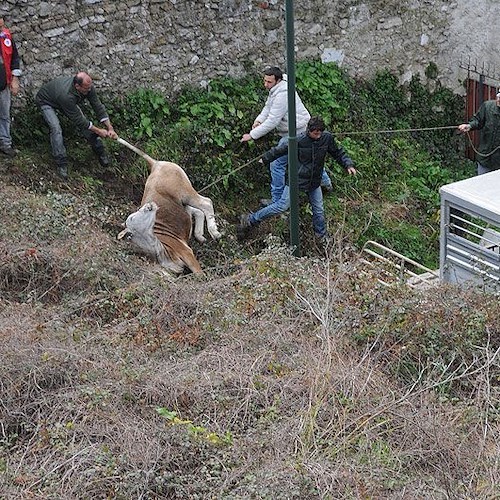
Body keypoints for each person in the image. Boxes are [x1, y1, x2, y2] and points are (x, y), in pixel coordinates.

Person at [237, 116, 356, 241]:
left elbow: (337, 152)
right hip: (296, 180)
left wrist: (348, 164)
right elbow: (280, 150)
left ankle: (321, 236)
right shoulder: (298, 140)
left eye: (320, 133)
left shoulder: (326, 138)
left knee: (319, 210)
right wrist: (265, 158)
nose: (318, 136)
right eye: (316, 133)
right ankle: (250, 219)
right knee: (282, 206)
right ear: (309, 130)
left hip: (314, 181)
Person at [240, 66, 332, 206]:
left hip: (296, 132)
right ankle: (326, 183)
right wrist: (258, 120)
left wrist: (252, 135)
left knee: (276, 164)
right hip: (298, 129)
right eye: (264, 81)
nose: (266, 85)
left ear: (277, 80)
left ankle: (276, 200)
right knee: (307, 158)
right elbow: (268, 108)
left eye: (269, 82)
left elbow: (273, 120)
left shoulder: (283, 94)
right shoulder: (276, 90)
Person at [35, 71, 118, 178]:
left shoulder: (88, 87)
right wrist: (98, 131)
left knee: (86, 125)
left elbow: (97, 106)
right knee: (56, 128)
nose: (89, 90)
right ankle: (62, 163)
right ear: (77, 86)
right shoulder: (66, 96)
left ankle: (101, 153)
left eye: (90, 87)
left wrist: (109, 127)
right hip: (45, 101)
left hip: (61, 98)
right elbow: (79, 120)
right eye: (86, 89)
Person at [458, 91, 500, 175]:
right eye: (498, 97)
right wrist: (469, 126)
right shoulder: (487, 107)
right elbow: (478, 121)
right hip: (485, 157)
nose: (498, 100)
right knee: (482, 184)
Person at [0, 15, 21, 158]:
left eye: (1, 26)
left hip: (3, 83)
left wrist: (15, 79)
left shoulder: (6, 36)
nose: (2, 29)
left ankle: (5, 144)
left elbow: (15, 58)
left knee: (4, 115)